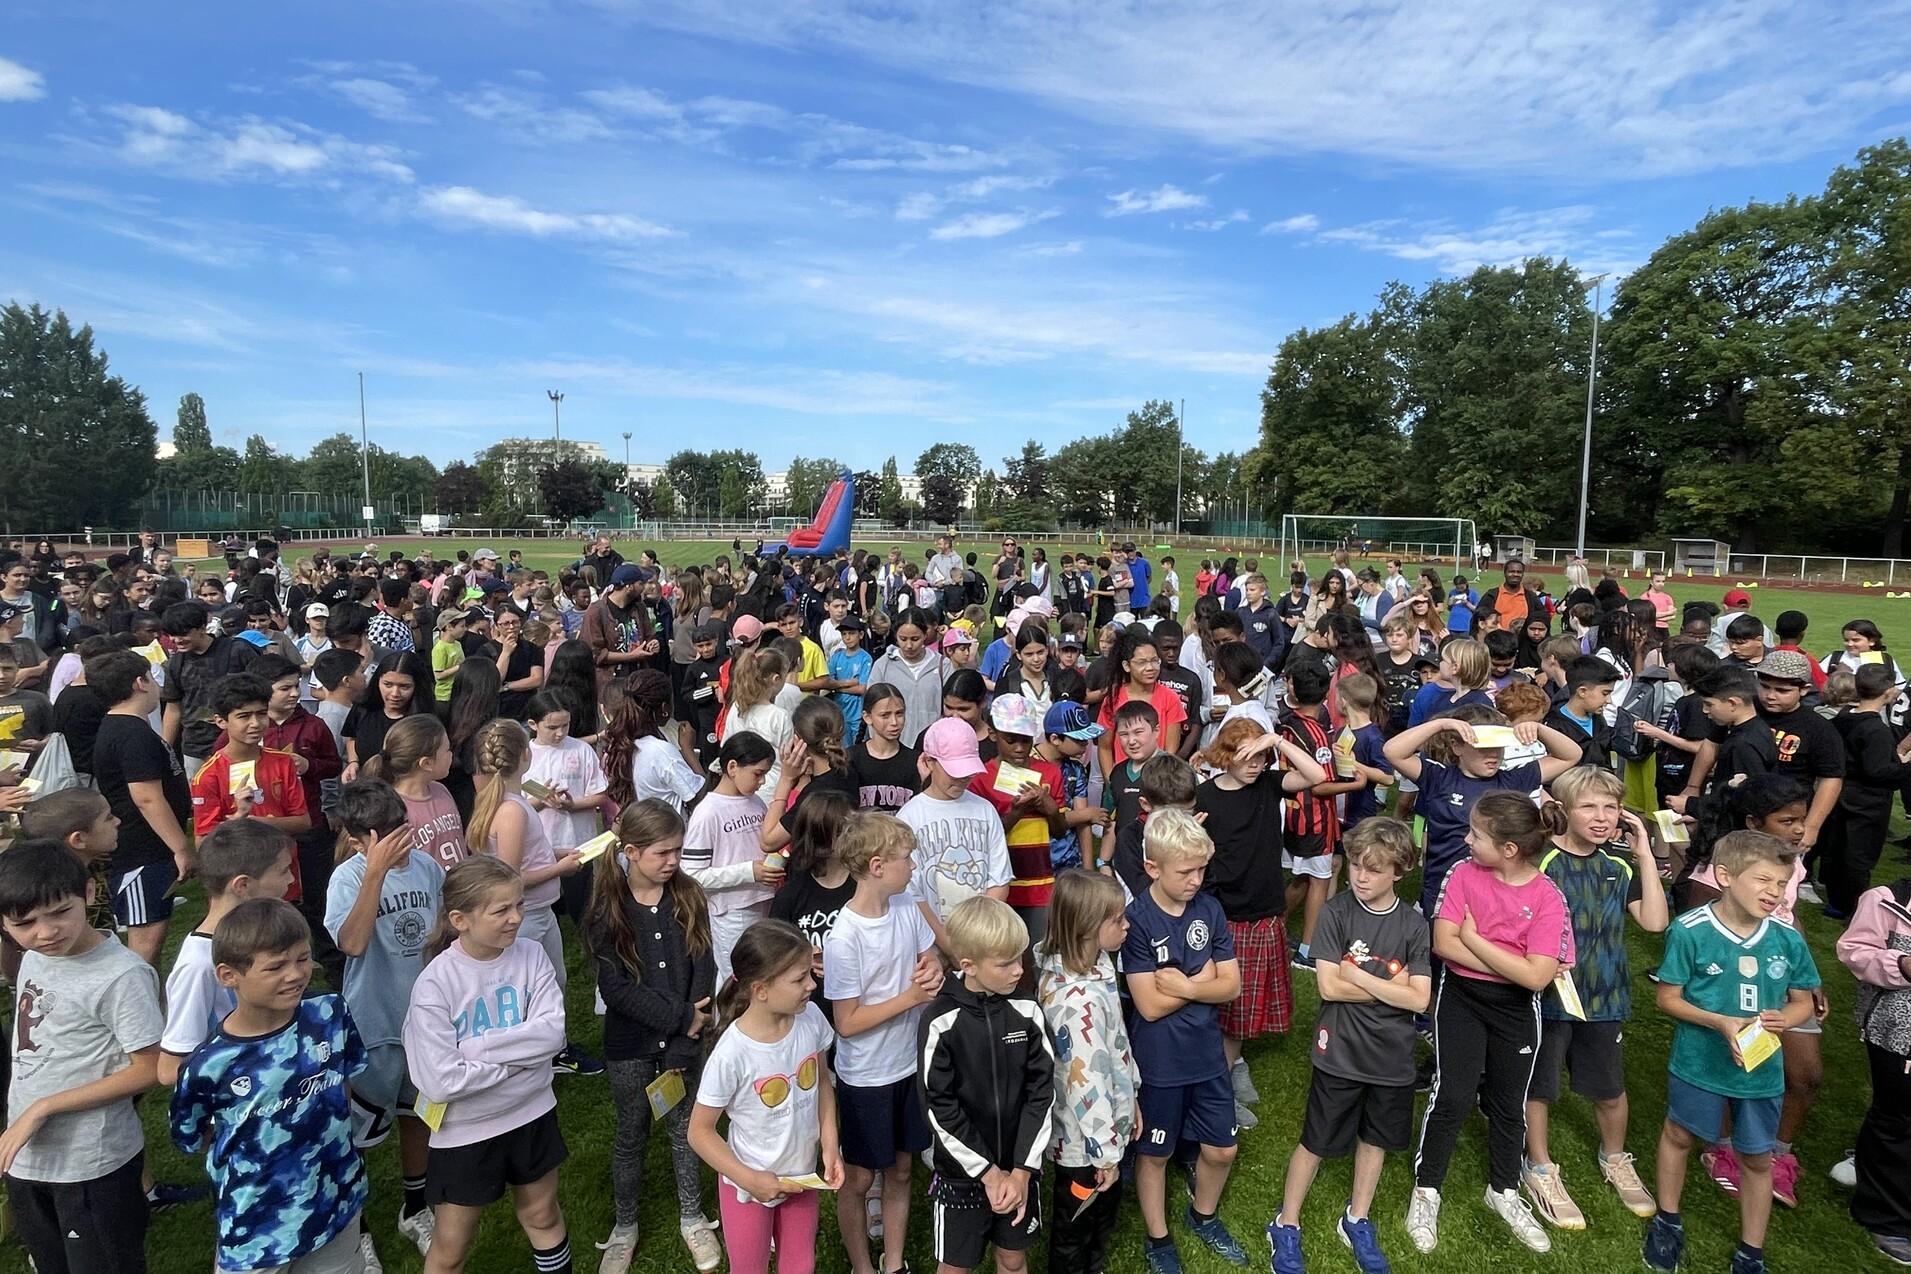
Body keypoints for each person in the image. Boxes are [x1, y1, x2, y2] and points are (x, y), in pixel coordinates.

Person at [1644, 831, 1821, 1274]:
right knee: (1680, 1135)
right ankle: (1667, 1221)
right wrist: (1719, 1022)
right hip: (1699, 1062)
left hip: (1760, 1071)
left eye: (1782, 884)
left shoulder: (1787, 938)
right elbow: (1667, 999)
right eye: (1764, 881)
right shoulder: (1690, 931)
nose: (1774, 893)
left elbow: (1803, 999)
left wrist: (1787, 1016)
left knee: (1758, 1157)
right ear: (1725, 876)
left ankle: (1751, 1252)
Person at [1408, 794, 1576, 1256]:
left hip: (1517, 1011)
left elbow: (1538, 977)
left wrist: (1475, 938)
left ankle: (1503, 1189)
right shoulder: (1462, 873)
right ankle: (1427, 1189)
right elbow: (1443, 944)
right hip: (1460, 1000)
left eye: (1476, 835)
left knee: (1508, 1101)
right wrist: (1513, 961)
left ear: (1509, 849)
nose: (1466, 839)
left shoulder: (1548, 897)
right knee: (1453, 1093)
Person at [1265, 818, 1430, 1274]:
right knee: (1315, 1140)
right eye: (1356, 864)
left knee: (1374, 1140)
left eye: (1374, 869)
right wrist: (1384, 983)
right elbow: (1329, 989)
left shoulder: (1414, 924)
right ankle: (1287, 1221)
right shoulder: (1336, 912)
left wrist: (1354, 972)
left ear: (1399, 870)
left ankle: (1357, 1218)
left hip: (1392, 1058)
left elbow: (1420, 998)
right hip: (1339, 1052)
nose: (1360, 876)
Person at [170, 899, 371, 1274]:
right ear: (229, 975)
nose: (295, 974)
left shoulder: (330, 1014)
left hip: (336, 1198)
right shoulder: (208, 1066)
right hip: (256, 1225)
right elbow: (194, 1136)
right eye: (276, 966)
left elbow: (343, 1083)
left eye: (302, 958)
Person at [402, 856, 573, 1274]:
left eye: (518, 905)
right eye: (501, 910)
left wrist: (476, 1048)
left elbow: (554, 1035)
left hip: (532, 1115)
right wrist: (522, 1064)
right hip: (466, 1132)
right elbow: (440, 1081)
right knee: (450, 1249)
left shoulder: (531, 955)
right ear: (459, 919)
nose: (516, 918)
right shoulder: (435, 984)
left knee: (544, 1218)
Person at [0, 839, 164, 1274]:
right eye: (25, 922)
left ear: (89, 893)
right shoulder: (33, 958)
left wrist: (44, 1107)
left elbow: (152, 1067)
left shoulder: (122, 976)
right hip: (29, 1158)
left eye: (59, 912)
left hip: (92, 1166)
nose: (45, 932)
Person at [1520, 767, 1668, 1229]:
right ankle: (1539, 1165)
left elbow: (1655, 922)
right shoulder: (1540, 860)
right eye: (1589, 806)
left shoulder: (1618, 865)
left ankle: (1615, 1157)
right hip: (1549, 995)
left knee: (1609, 1087)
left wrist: (1644, 853)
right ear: (1563, 811)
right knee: (1540, 1084)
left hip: (1605, 996)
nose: (1602, 817)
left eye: (1610, 807)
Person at [586, 799, 722, 1274]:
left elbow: (704, 965)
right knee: (631, 1132)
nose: (672, 862)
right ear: (630, 851)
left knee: (686, 1130)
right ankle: (625, 1226)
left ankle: (692, 1216)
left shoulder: (689, 895)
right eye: (662, 853)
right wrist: (682, 1016)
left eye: (678, 851)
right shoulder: (608, 908)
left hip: (685, 1045)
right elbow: (616, 988)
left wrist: (689, 1036)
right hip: (630, 1048)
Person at [1123, 808, 1248, 1274]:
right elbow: (1149, 1006)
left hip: (1208, 1056)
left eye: (1201, 869)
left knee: (1222, 1149)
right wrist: (1204, 978)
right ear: (1153, 868)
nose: (1196, 879)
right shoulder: (1136, 918)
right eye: (1186, 871)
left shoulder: (1209, 909)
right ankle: (1159, 1238)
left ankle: (1204, 1215)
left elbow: (1230, 985)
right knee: (1155, 1154)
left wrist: (1185, 984)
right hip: (1159, 1064)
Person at [324, 779, 445, 1261]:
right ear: (358, 840)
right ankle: (359, 1231)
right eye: (385, 835)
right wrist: (374, 874)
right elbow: (351, 943)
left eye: (403, 828)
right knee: (356, 1138)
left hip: (421, 1023)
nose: (401, 841)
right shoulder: (348, 878)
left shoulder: (428, 867)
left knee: (418, 1116)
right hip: (372, 1026)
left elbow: (437, 933)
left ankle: (415, 1207)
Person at [823, 812, 943, 1274]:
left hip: (907, 1068)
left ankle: (893, 1263)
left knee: (901, 1170)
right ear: (876, 866)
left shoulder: (907, 907)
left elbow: (928, 957)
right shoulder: (844, 939)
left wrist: (931, 968)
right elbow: (847, 1023)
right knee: (858, 1177)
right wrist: (911, 997)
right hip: (865, 1077)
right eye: (905, 858)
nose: (913, 865)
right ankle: (861, 1265)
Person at [1195, 717, 1328, 1130]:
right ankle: (1219, 1088)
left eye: (1260, 755)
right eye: (1244, 755)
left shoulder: (1270, 785)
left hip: (1264, 909)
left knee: (1241, 1009)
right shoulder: (1205, 796)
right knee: (1226, 1005)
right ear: (1225, 756)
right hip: (1223, 911)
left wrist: (1276, 741)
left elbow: (1317, 774)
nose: (1254, 763)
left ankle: (1230, 1069)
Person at [689, 919, 842, 1274]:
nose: (811, 985)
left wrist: (831, 1145)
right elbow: (699, 1132)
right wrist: (747, 1178)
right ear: (760, 990)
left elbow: (822, 1085)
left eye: (809, 974)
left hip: (801, 1177)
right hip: (747, 1188)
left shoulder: (811, 1019)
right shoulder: (731, 1055)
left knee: (800, 1266)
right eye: (799, 978)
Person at [917, 895, 1056, 1274]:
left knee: (1012, 1259)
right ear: (968, 966)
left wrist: (1022, 1172)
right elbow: (938, 1106)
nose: (1019, 970)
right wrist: (989, 1174)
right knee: (955, 1267)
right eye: (1006, 962)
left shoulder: (1027, 1011)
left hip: (1018, 1167)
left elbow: (1042, 1092)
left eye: (1020, 957)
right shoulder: (940, 1021)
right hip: (961, 1174)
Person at [463, 719, 598, 1077]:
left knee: (552, 981)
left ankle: (550, 1051)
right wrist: (561, 868)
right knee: (538, 988)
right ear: (525, 755)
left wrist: (556, 853)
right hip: (528, 915)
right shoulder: (511, 810)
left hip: (534, 913)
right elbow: (510, 880)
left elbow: (524, 854)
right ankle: (542, 1055)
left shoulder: (509, 803)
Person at [1036, 869, 1138, 1274]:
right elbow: (1087, 1085)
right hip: (1086, 1147)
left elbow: (1116, 1047)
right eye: (1118, 920)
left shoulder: (1096, 963)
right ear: (1088, 928)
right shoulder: (1077, 1002)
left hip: (1105, 1130)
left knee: (1097, 1220)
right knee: (1075, 1230)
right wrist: (1107, 1156)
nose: (1127, 925)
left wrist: (1132, 1096)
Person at [157, 820, 297, 1086]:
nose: (291, 880)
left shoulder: (257, 936)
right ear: (242, 886)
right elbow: (170, 1068)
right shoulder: (199, 965)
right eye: (283, 871)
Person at [87, 648, 192, 965]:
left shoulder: (129, 727)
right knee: (145, 944)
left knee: (155, 938)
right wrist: (181, 847)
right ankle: (135, 1009)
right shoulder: (132, 734)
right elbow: (146, 797)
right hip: (141, 851)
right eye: (152, 677)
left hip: (150, 848)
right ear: (140, 683)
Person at [1834, 877, 1911, 1264]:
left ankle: (1868, 1165)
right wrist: (1901, 964)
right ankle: (1888, 1218)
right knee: (1897, 1118)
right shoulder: (1888, 901)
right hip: (1897, 1031)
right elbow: (1852, 952)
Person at [896, 716, 1012, 947]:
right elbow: (912, 891)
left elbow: (999, 879)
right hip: (929, 940)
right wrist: (947, 944)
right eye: (953, 772)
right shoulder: (910, 817)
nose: (961, 780)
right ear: (929, 762)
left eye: (967, 773)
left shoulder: (985, 810)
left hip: (980, 937)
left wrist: (978, 935)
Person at [684, 731, 782, 985]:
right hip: (733, 912)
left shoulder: (756, 802)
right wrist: (749, 872)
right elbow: (691, 873)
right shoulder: (708, 812)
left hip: (766, 901)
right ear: (732, 767)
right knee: (736, 981)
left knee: (764, 976)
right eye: (757, 774)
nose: (761, 782)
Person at [977, 693, 1067, 946]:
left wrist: (1050, 809)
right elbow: (984, 838)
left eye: (1026, 741)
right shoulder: (981, 778)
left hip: (1041, 885)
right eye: (1011, 740)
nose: (1019, 748)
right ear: (993, 734)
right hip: (998, 885)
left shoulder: (1050, 773)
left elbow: (1060, 832)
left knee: (1039, 953)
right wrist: (1016, 812)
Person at [1823, 664, 1911, 916]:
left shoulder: (1843, 717)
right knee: (1858, 856)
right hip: (1867, 802)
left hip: (1840, 794)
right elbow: (1878, 771)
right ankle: (1851, 907)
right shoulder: (1876, 731)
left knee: (1838, 847)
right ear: (1889, 692)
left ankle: (1835, 901)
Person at [160, 600, 258, 774]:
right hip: (194, 746)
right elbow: (173, 708)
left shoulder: (238, 650)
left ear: (202, 627)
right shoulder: (175, 664)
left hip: (239, 741)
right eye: (172, 635)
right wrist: (165, 749)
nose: (176, 640)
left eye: (183, 634)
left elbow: (262, 692)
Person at [362, 713, 469, 869]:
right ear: (426, 763)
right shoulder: (394, 810)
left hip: (458, 887)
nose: (451, 754)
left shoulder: (441, 790)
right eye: (447, 750)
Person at [849, 683, 920, 813]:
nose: (894, 722)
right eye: (885, 715)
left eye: (899, 713)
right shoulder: (851, 759)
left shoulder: (916, 762)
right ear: (867, 717)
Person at [1542, 656, 1621, 770]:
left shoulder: (1599, 720)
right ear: (1582, 691)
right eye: (1605, 693)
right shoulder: (1555, 727)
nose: (1609, 701)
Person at [828, 613, 874, 744]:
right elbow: (829, 683)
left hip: (857, 715)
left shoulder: (865, 658)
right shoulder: (836, 657)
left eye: (851, 633)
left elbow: (862, 688)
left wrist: (838, 687)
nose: (847, 637)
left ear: (860, 635)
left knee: (857, 747)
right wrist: (850, 682)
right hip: (839, 713)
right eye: (844, 634)